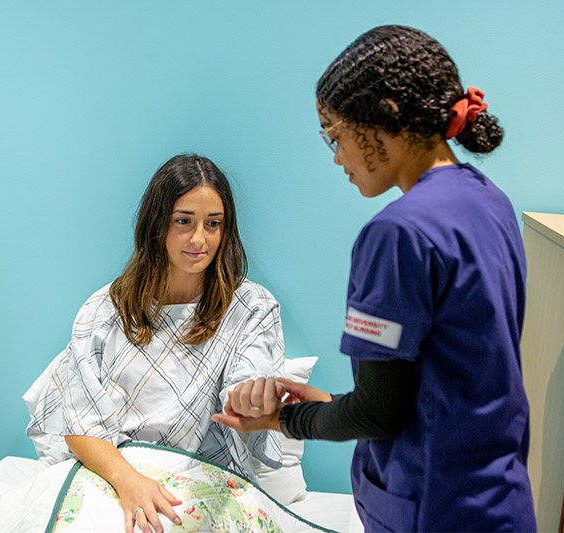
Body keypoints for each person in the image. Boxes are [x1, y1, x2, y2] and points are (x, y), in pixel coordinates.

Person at [213, 25, 537, 532]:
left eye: (334, 134)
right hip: (497, 501)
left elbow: (376, 415)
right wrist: (326, 404)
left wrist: (281, 420)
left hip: (431, 509)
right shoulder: (489, 202)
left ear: (384, 116)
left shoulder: (398, 234)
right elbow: (446, 378)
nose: (338, 156)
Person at [24, 154, 285, 533]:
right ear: (156, 224)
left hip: (207, 477)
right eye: (184, 222)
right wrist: (129, 482)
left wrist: (252, 399)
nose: (200, 239)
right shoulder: (104, 311)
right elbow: (79, 423)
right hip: (113, 474)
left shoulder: (251, 307)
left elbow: (248, 378)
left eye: (213, 224)